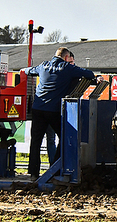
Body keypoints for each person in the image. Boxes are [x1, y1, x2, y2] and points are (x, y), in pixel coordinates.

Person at [22, 47, 104, 179]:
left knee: (36, 141)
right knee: (64, 138)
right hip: (53, 110)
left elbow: (28, 71)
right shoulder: (67, 68)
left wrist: (23, 70)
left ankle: (33, 173)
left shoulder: (43, 65)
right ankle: (55, 168)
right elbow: (87, 74)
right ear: (66, 57)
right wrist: (97, 77)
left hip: (38, 109)